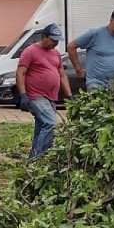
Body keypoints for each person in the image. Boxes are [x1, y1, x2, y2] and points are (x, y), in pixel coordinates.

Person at [16, 23, 73, 159]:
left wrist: (69, 96)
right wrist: (23, 95)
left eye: (57, 40)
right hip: (35, 95)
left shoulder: (55, 54)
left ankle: (33, 160)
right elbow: (20, 73)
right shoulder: (30, 51)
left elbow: (62, 75)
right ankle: (39, 159)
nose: (55, 43)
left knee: (42, 127)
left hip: (51, 97)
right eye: (53, 40)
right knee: (51, 124)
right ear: (44, 37)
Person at [67, 8, 114, 90]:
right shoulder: (95, 33)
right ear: (111, 20)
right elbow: (71, 46)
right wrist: (78, 70)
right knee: (96, 101)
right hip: (96, 83)